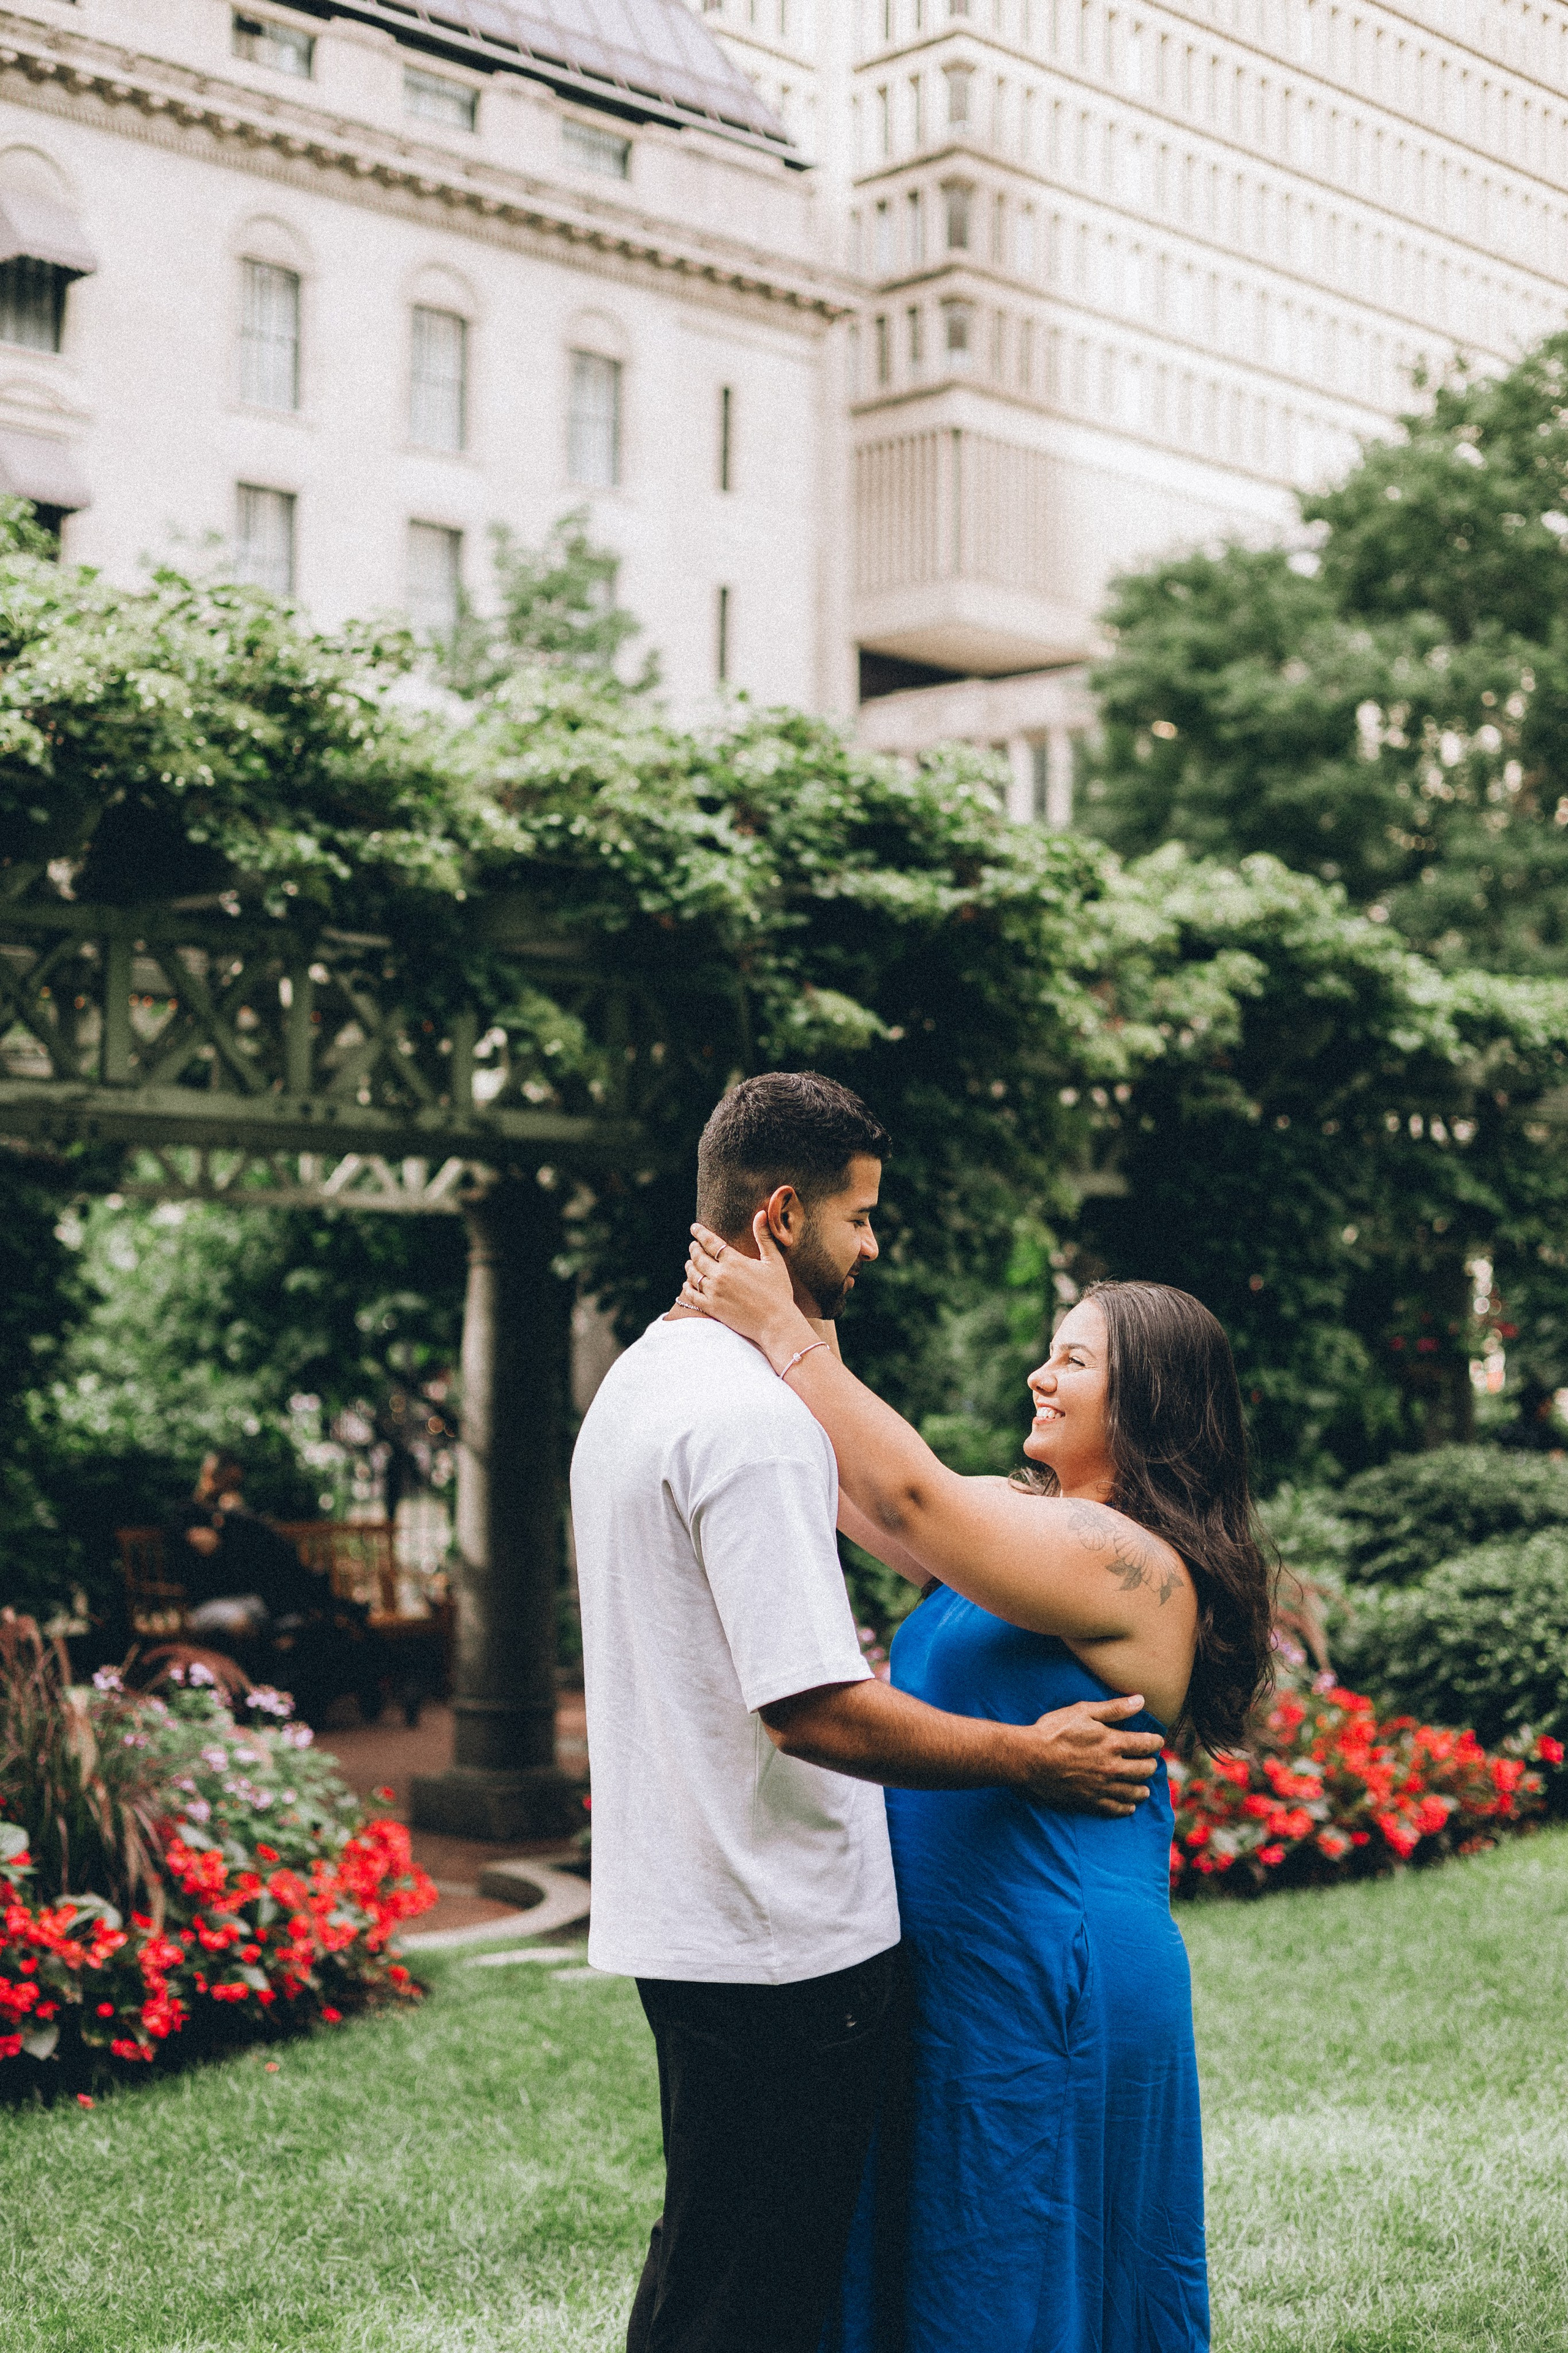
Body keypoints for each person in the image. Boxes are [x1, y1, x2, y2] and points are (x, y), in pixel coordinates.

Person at [570, 1073, 1167, 2353]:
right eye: (857, 1217)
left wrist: (796, 1346)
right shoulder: (747, 1421)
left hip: (704, 1917)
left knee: (715, 2261)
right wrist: (1025, 1755)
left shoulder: (641, 1385)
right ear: (783, 1215)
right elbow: (817, 1705)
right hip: (782, 1935)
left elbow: (911, 1509)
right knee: (764, 2293)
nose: (874, 1242)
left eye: (1073, 1357)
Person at [681, 1221, 1277, 2353]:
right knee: (956, 2269)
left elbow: (907, 1498)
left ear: (1148, 1401)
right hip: (962, 1962)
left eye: (1075, 1361)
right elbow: (863, 1495)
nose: (1039, 1375)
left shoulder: (1137, 1563)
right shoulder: (1030, 1531)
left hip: (1053, 1972)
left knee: (1018, 2270)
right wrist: (790, 1300)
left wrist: (777, 1323)